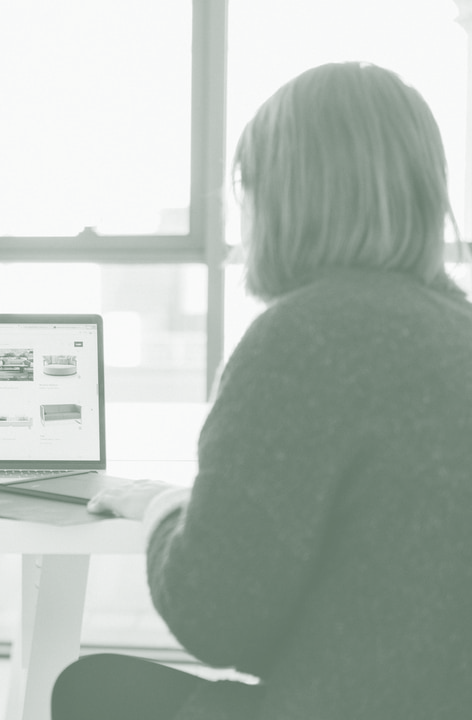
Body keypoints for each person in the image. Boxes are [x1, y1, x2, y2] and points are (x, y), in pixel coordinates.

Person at [54, 61, 472, 719]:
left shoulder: (303, 337)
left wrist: (164, 508)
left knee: (87, 690)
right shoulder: (458, 327)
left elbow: (214, 621)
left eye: (245, 187)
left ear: (285, 196)